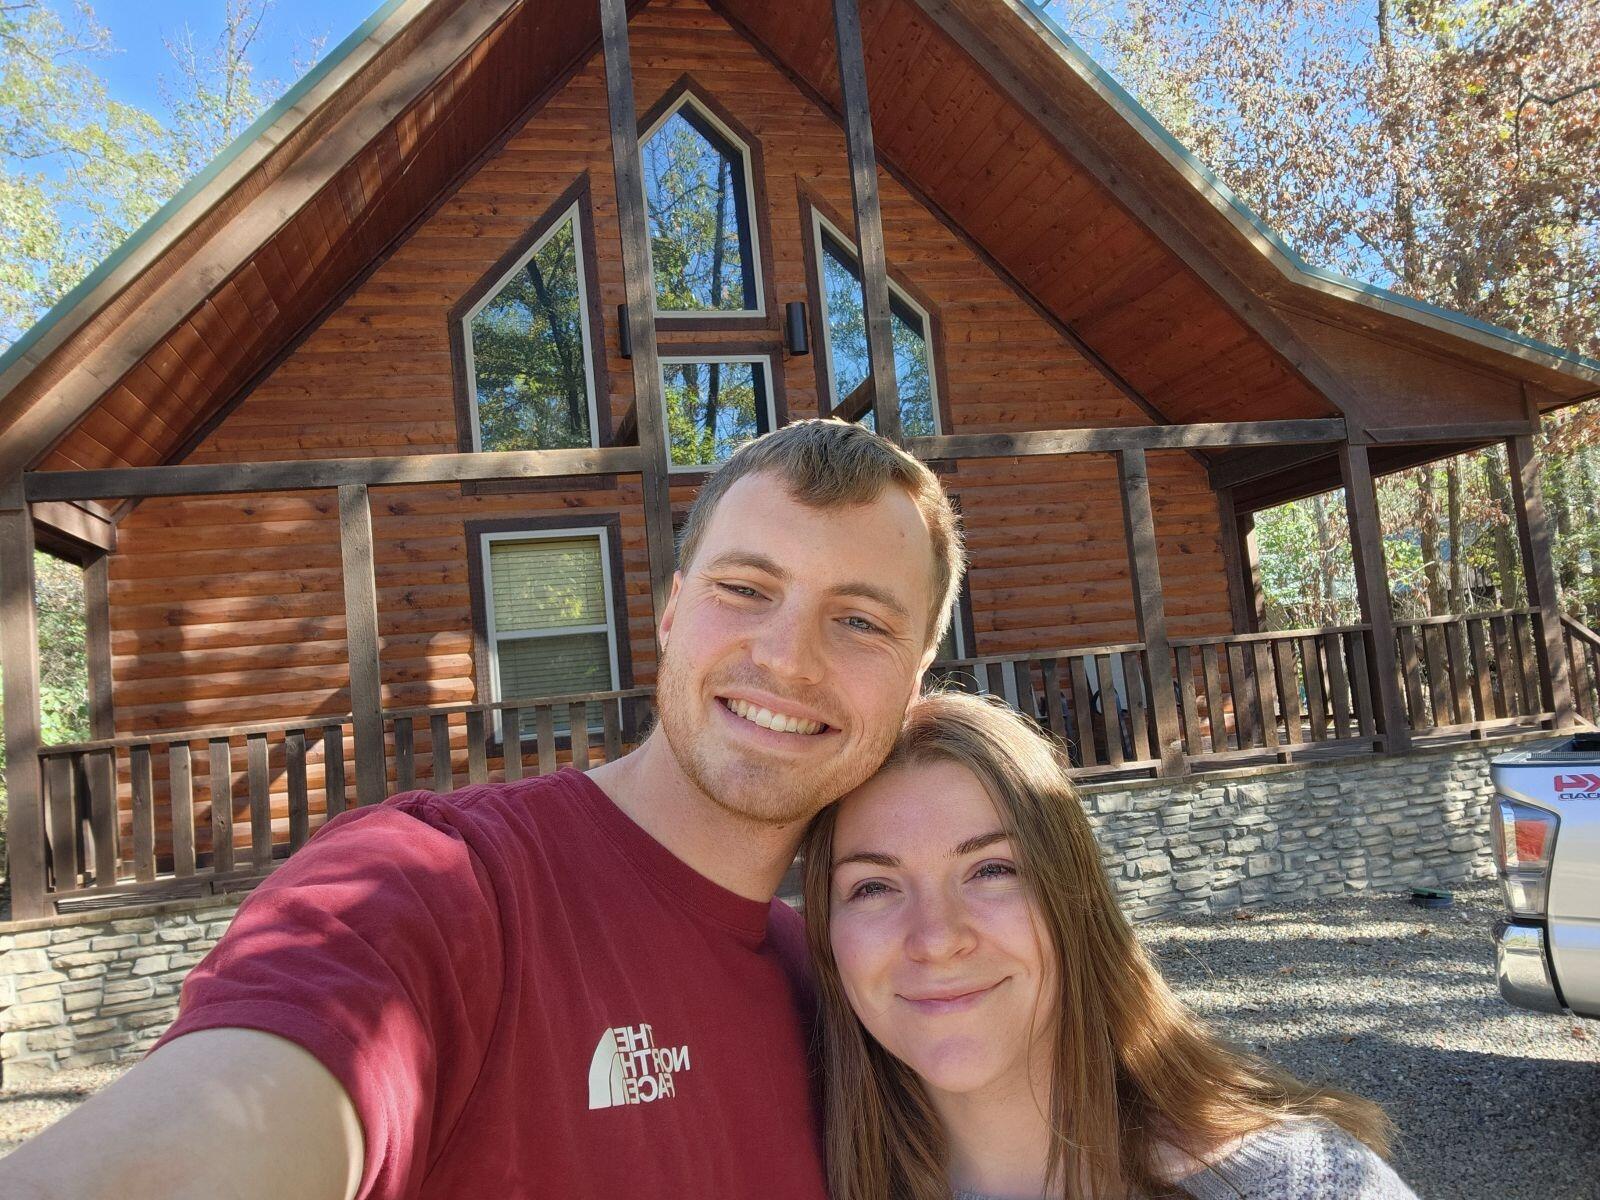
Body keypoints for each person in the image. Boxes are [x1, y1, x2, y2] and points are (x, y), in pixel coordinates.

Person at [0, 418, 966, 1200]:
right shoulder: (438, 890)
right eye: (746, 588)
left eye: (860, 622)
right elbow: (236, 1110)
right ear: (672, 613)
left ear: (918, 678)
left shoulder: (848, 987)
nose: (789, 657)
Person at [802, 691, 1419, 1200]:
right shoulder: (799, 1180)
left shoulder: (1300, 1186)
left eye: (993, 870)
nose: (936, 939)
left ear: (1075, 900)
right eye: (874, 885)